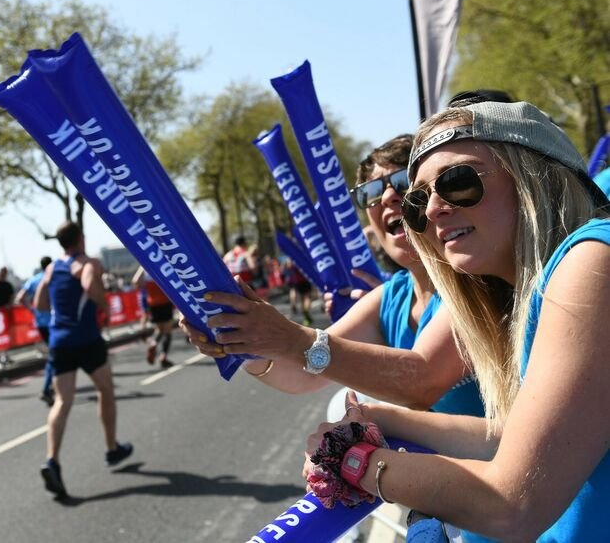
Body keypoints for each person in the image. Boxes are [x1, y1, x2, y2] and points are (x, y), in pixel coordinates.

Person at [302, 101, 610, 541]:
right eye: (418, 200)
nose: (430, 213)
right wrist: (379, 418)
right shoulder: (540, 285)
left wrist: (355, 464)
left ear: (534, 174)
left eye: (457, 181)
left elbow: (512, 504)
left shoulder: (591, 261)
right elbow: (512, 435)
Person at [182, 134, 484, 416]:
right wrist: (243, 339)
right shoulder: (391, 296)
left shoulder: (475, 279)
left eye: (403, 181)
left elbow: (421, 381)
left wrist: (285, 335)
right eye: (372, 192)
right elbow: (305, 375)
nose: (389, 197)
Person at [34, 221, 132, 499]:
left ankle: (52, 460)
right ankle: (112, 448)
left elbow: (40, 304)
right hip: (87, 339)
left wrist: (61, 305)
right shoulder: (88, 263)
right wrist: (102, 303)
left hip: (59, 341)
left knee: (62, 401)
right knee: (105, 389)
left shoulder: (52, 268)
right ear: (80, 238)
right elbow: (90, 286)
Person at [15, 257, 54, 406]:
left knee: (55, 353)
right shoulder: (52, 277)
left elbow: (19, 298)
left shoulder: (33, 280)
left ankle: (52, 386)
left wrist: (32, 310)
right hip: (54, 321)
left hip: (41, 323)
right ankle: (47, 388)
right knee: (56, 354)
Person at [131, 266, 174, 369]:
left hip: (153, 303)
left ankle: (153, 344)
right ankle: (163, 356)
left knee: (159, 329)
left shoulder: (145, 267)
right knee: (167, 331)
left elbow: (135, 282)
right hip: (165, 300)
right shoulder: (159, 263)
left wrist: (142, 267)